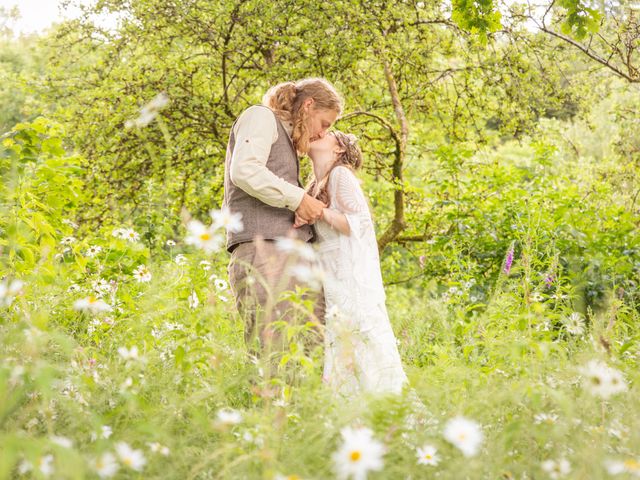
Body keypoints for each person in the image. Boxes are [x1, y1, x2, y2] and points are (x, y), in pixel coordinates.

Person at [223, 78, 343, 375]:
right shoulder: (259, 117)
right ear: (308, 105)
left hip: (292, 261)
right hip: (263, 255)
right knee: (274, 360)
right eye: (324, 123)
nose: (322, 133)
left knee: (312, 360)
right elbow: (245, 171)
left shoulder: (288, 144)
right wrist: (298, 199)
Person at [302, 130, 408, 396]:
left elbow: (358, 223)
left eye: (326, 133)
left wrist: (319, 211)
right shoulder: (316, 182)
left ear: (338, 149)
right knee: (342, 344)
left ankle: (387, 406)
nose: (317, 133)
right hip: (331, 277)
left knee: (362, 341)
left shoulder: (340, 175)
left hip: (348, 275)